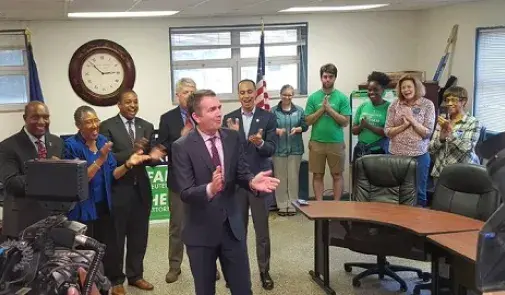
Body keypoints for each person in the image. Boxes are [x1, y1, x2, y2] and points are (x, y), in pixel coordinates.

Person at [171, 89, 280, 295]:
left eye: (219, 107)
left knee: (242, 289)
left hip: (232, 228)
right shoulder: (182, 147)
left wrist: (251, 182)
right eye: (212, 109)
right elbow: (185, 192)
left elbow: (241, 173)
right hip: (200, 232)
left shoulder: (232, 137)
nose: (219, 113)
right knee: (205, 290)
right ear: (197, 116)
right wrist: (210, 189)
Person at [63, 106, 152, 295]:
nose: (94, 125)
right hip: (83, 209)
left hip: (105, 205)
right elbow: (80, 179)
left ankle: (108, 283)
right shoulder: (71, 146)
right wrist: (100, 159)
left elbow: (113, 174)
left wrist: (128, 163)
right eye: (88, 122)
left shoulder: (103, 140)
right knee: (85, 251)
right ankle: (86, 287)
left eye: (96, 120)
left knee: (108, 247)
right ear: (78, 125)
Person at [99, 90, 165, 292]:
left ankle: (136, 275)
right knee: (117, 238)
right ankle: (116, 280)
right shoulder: (107, 126)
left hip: (141, 191)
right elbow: (108, 159)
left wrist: (155, 156)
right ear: (118, 104)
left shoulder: (146, 126)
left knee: (139, 237)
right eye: (128, 102)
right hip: (118, 190)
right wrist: (133, 151)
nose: (133, 106)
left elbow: (150, 160)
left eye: (135, 102)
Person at [158, 78, 222, 283]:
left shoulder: (205, 115)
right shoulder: (167, 118)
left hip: (204, 182)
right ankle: (174, 266)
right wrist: (181, 137)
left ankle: (210, 264)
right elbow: (163, 147)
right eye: (186, 92)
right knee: (177, 226)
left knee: (206, 224)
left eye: (193, 91)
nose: (190, 95)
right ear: (178, 95)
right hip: (179, 183)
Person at [223, 79, 277, 290]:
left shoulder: (268, 117)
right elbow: (226, 153)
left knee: (261, 231)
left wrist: (261, 143)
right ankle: (237, 272)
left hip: (260, 182)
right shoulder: (229, 119)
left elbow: (272, 148)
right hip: (237, 185)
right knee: (237, 231)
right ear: (238, 95)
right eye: (242, 92)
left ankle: (264, 271)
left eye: (249, 92)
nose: (246, 96)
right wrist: (235, 136)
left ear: (256, 93)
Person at [0, 101, 64, 238]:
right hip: (22, 221)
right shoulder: (8, 146)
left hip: (52, 221)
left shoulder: (57, 142)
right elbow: (11, 184)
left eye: (46, 117)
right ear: (25, 118)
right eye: (35, 117)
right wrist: (46, 168)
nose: (42, 121)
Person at [384, 75, 435, 207]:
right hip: (396, 155)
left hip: (419, 156)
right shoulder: (394, 105)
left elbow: (427, 133)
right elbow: (387, 131)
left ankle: (419, 223)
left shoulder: (427, 105)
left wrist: (412, 120)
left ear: (416, 88)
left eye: (409, 87)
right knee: (396, 191)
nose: (406, 90)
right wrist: (403, 126)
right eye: (403, 87)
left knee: (419, 192)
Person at [305, 63, 351, 201]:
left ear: (335, 78)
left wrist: (330, 110)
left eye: (330, 77)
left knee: (337, 175)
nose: (327, 79)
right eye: (325, 76)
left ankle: (335, 206)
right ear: (321, 78)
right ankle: (319, 205)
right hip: (317, 142)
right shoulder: (313, 98)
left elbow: (345, 122)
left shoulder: (342, 98)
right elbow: (307, 121)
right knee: (317, 175)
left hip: (336, 142)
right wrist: (322, 110)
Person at [429, 86, 482, 184]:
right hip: (440, 172)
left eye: (454, 100)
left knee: (462, 199)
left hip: (463, 174)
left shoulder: (473, 122)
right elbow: (431, 149)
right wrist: (440, 139)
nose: (449, 104)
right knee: (439, 199)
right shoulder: (442, 121)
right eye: (447, 100)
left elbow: (467, 148)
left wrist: (451, 134)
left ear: (463, 102)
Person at [271, 84, 308, 216]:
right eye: (285, 94)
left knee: (293, 178)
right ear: (280, 95)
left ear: (293, 95)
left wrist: (299, 129)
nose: (287, 97)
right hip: (279, 149)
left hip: (295, 149)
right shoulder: (273, 111)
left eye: (290, 94)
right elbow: (268, 128)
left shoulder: (299, 110)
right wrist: (277, 130)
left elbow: (305, 125)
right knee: (280, 179)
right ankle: (282, 205)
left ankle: (293, 204)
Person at [352, 71, 391, 160]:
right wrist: (361, 126)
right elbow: (354, 131)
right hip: (361, 150)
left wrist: (368, 126)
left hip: (379, 151)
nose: (371, 92)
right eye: (369, 89)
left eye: (375, 89)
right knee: (358, 174)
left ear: (383, 90)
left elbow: (388, 133)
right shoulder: (363, 106)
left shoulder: (389, 108)